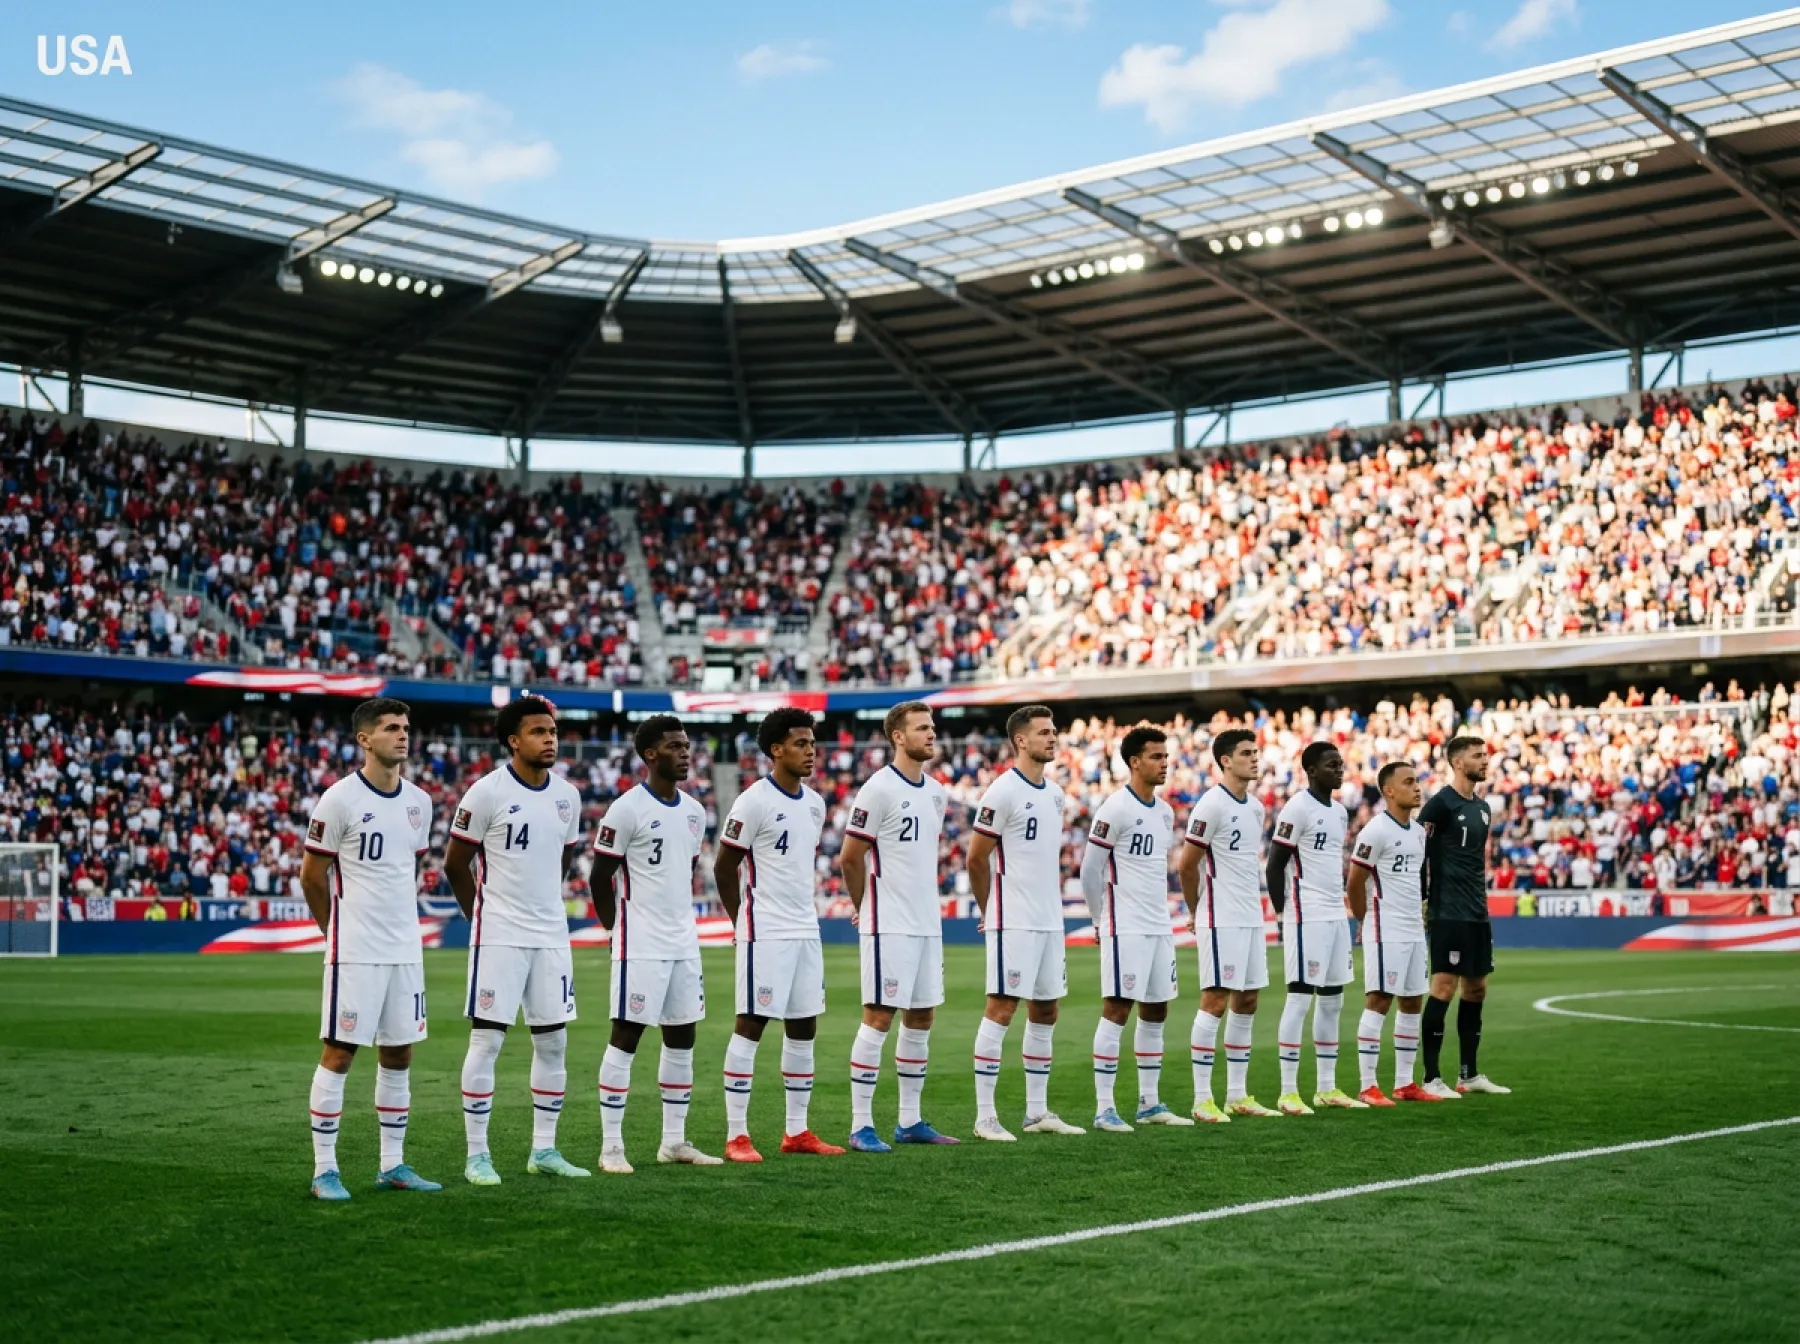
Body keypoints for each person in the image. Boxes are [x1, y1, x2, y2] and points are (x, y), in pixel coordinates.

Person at [445, 694, 589, 1186]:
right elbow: (454, 864)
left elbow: (563, 860)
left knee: (554, 1043)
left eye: (551, 732)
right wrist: (482, 919)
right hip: (500, 934)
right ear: (513, 740)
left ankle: (544, 1150)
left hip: (550, 935)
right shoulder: (485, 793)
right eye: (537, 732)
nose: (549, 740)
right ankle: (477, 1155)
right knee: (487, 1041)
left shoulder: (567, 796)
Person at [300, 696, 440, 1201]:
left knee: (399, 1052)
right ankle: (323, 1171)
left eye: (405, 726)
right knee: (340, 1053)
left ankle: (392, 1164)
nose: (402, 734)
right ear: (364, 739)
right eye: (390, 728)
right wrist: (334, 932)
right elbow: (312, 877)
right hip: (355, 948)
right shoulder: (339, 799)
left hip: (406, 948)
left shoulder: (419, 802)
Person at [589, 715, 722, 1173]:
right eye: (674, 746)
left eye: (686, 745)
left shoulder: (694, 812)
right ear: (650, 754)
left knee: (682, 1037)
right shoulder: (626, 809)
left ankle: (674, 1141)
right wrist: (614, 932)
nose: (685, 752)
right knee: (626, 1037)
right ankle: (610, 1147)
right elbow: (599, 878)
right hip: (639, 941)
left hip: (683, 941)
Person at [714, 707, 844, 1162]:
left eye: (812, 743)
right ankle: (736, 1135)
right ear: (776, 750)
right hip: (765, 928)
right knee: (751, 1025)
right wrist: (741, 922)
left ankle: (796, 1131)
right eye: (801, 744)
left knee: (803, 1027)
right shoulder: (753, 801)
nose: (811, 751)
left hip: (805, 928)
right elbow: (724, 868)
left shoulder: (814, 803)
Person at [839, 701, 960, 1152]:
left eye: (932, 727)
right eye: (922, 728)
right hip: (888, 922)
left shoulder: (936, 793)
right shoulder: (877, 790)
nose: (932, 735)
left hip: (927, 922)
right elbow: (850, 857)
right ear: (897, 736)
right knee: (879, 1017)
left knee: (922, 1015)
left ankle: (909, 1121)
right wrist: (864, 906)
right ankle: (859, 1125)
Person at [967, 704, 1083, 1141]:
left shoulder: (1054, 793)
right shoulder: (1001, 792)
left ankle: (1038, 1113)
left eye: (1054, 731)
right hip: (1012, 918)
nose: (1053, 738)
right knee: (1001, 1010)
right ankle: (984, 1117)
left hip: (1049, 919)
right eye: (1044, 733)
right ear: (1020, 740)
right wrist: (989, 911)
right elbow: (976, 858)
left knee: (1046, 1010)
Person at [1080, 724, 1193, 1132]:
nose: (1165, 763)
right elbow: (1090, 870)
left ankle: (1149, 1102)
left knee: (1157, 1009)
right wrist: (1099, 919)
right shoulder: (1115, 808)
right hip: (1124, 925)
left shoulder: (1164, 812)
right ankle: (1104, 1107)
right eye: (1156, 757)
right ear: (1134, 762)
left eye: (1166, 756)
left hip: (1158, 924)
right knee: (1117, 1009)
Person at [1178, 727, 1275, 1122]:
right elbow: (1187, 864)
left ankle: (1237, 1094)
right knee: (1215, 1000)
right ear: (1225, 761)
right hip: (1219, 917)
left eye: (1256, 752)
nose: (1255, 758)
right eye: (1247, 753)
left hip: (1251, 916)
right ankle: (1203, 1099)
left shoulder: (1255, 807)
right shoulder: (1211, 805)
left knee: (1248, 1000)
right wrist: (1197, 911)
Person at [1267, 742, 1365, 1114]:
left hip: (1335, 913)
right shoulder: (1297, 808)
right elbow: (1275, 864)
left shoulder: (1339, 812)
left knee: (1333, 1000)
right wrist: (1281, 914)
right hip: (1305, 913)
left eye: (1340, 763)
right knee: (1299, 999)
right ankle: (1288, 1091)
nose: (1339, 770)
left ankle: (1327, 1087)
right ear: (1311, 770)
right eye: (1331, 765)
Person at [1418, 736, 1510, 1097]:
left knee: (1477, 988)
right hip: (1448, 911)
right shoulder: (1439, 805)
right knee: (1443, 986)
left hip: (1477, 910)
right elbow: (1418, 854)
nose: (1484, 761)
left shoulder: (1484, 807)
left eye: (1485, 755)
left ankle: (1469, 1075)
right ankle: (1430, 1078)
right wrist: (1423, 899)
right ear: (1457, 762)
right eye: (1477, 756)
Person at [1347, 762, 1444, 1106]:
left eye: (1417, 781)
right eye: (1408, 782)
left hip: (1413, 928)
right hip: (1384, 925)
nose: (1417, 787)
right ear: (1389, 791)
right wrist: (1365, 920)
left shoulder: (1418, 832)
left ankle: (1405, 1083)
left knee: (1412, 1000)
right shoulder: (1375, 830)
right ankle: (1368, 1085)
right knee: (1379, 1000)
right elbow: (1355, 882)